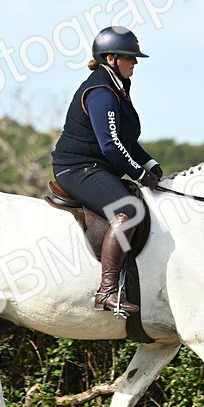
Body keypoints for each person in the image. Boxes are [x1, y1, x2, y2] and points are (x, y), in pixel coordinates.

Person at [51, 26, 164, 315]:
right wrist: (139, 174)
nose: (135, 62)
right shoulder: (101, 92)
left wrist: (150, 164)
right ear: (111, 58)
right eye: (130, 57)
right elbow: (112, 146)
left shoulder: (116, 85)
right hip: (78, 168)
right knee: (129, 211)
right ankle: (108, 291)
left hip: (95, 165)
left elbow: (126, 140)